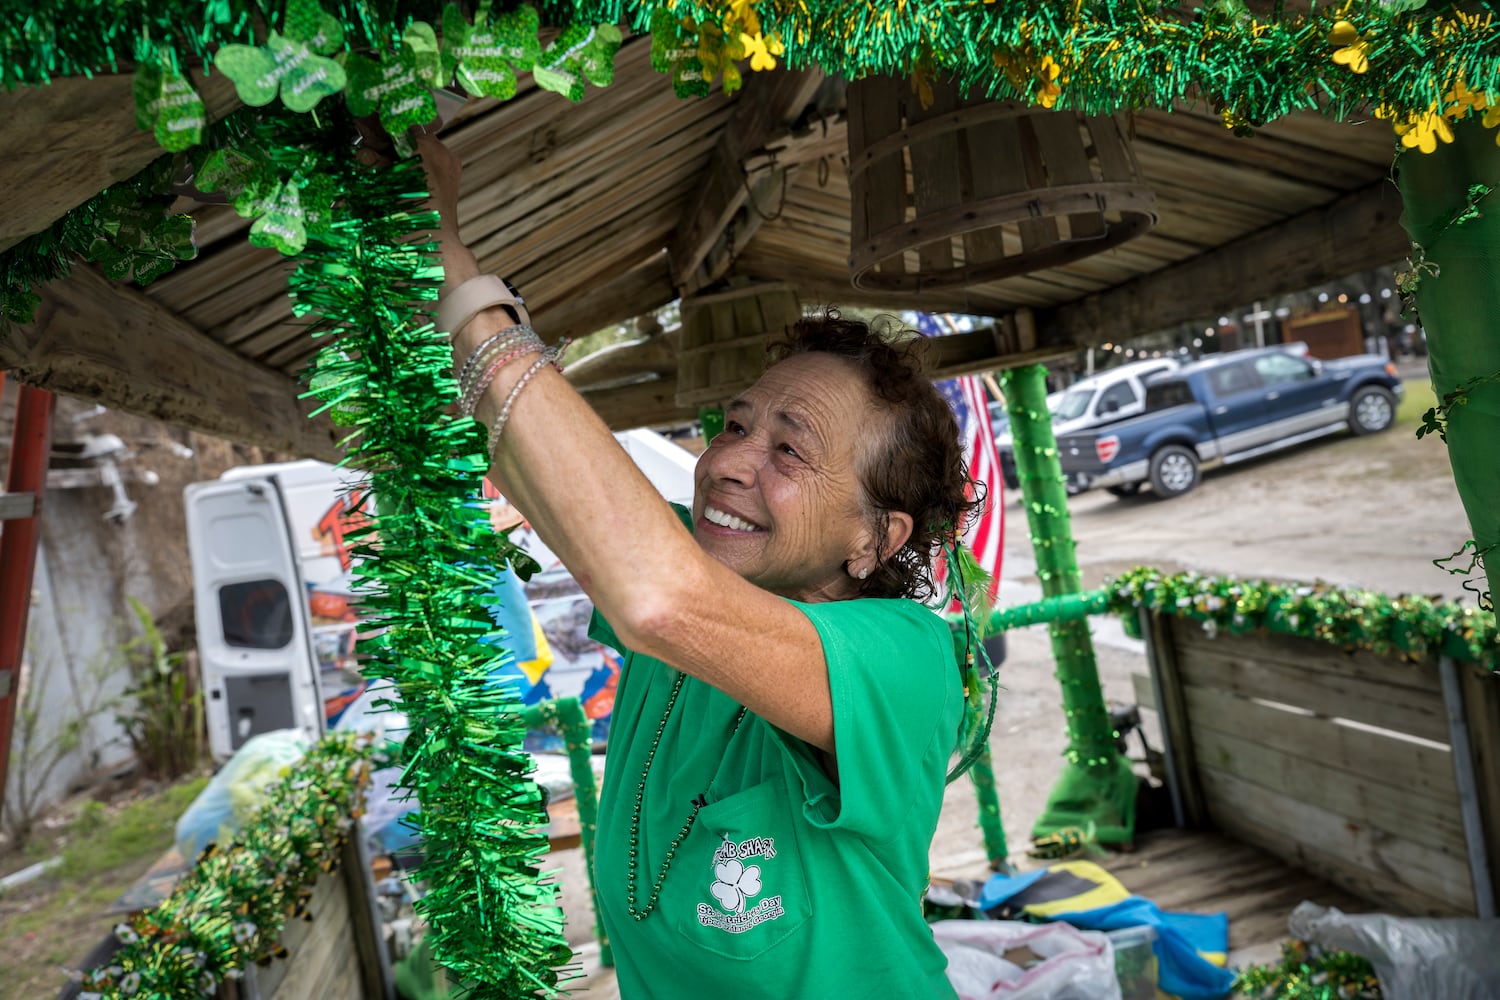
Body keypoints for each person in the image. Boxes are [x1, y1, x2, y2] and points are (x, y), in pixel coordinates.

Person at [417, 130, 985, 998]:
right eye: (733, 425)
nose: (725, 462)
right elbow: (543, 478)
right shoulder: (697, 572)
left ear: (875, 539)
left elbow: (654, 596)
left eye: (789, 452)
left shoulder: (902, 657)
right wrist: (435, 249)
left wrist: (461, 272)